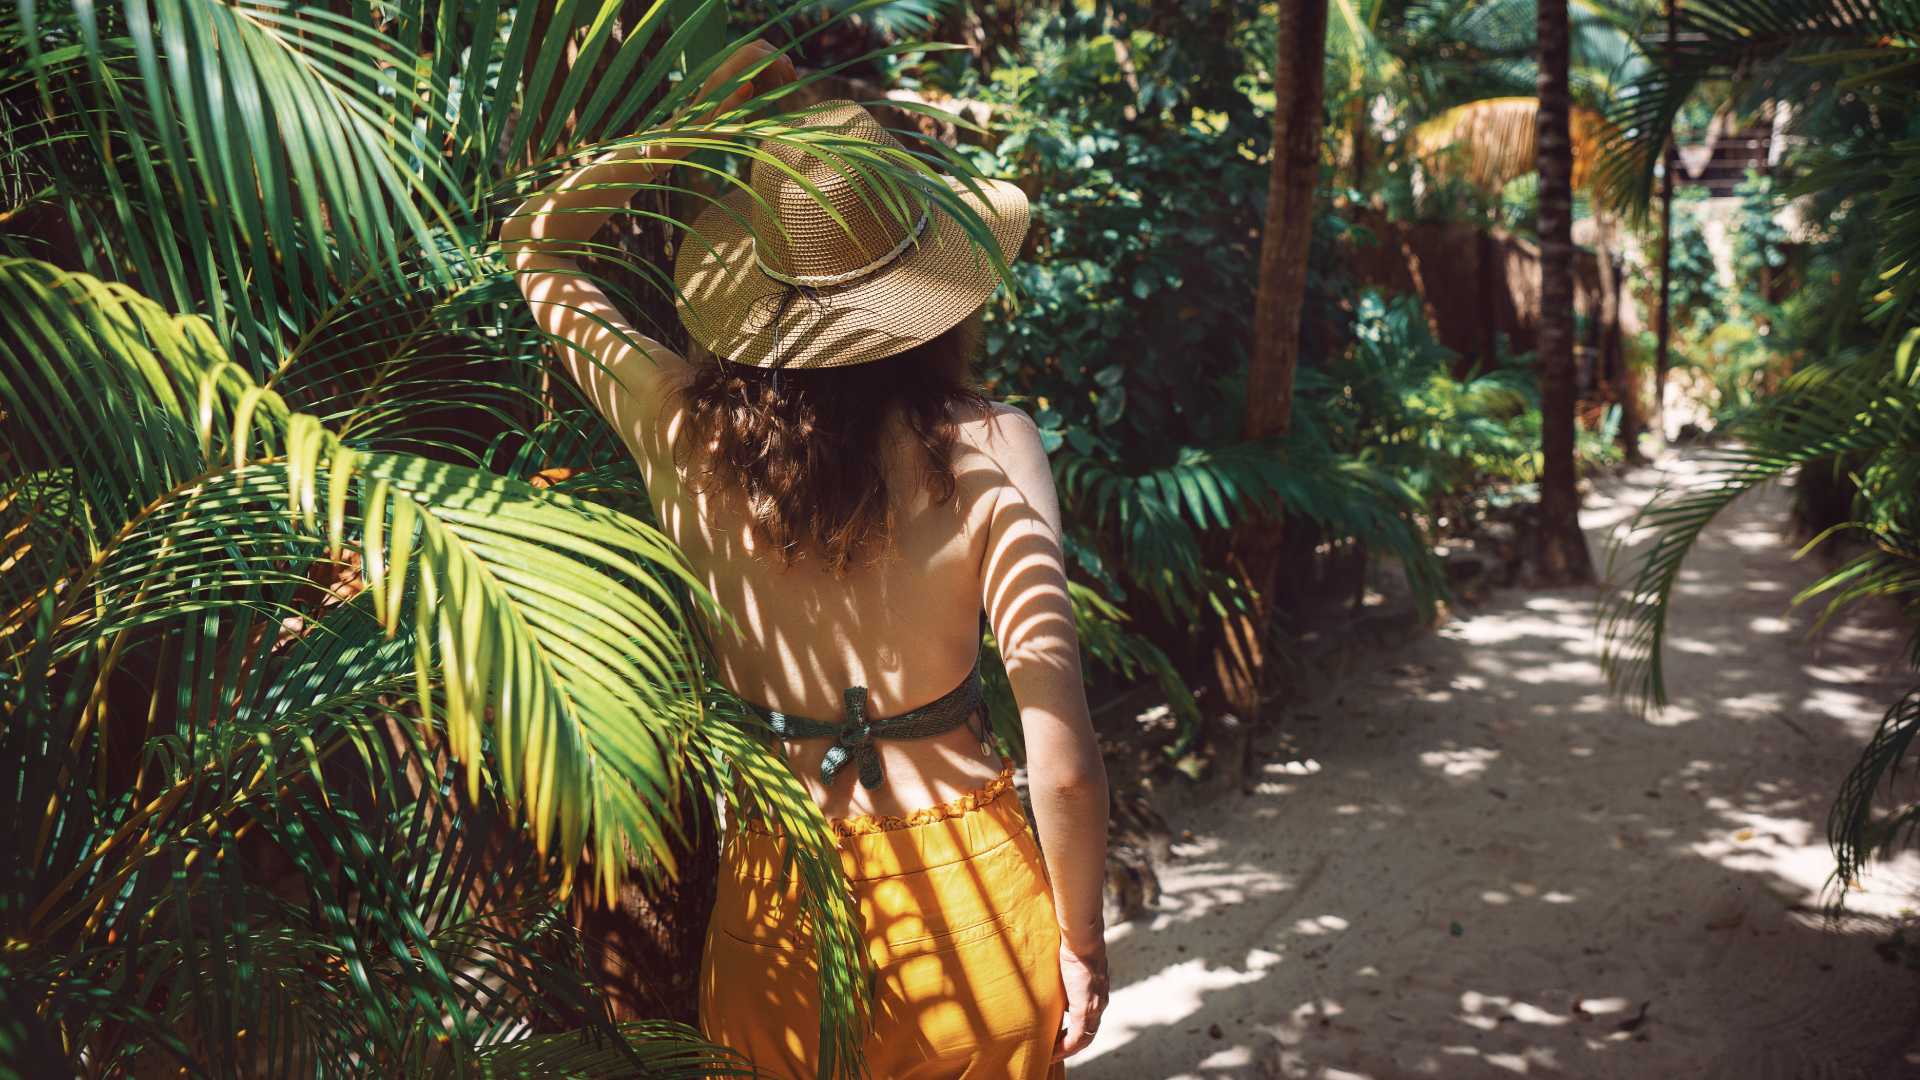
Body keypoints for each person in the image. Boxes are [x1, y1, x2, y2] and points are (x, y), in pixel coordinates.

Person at [501, 39, 1109, 1078]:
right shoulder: (991, 444)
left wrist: (694, 131)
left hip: (782, 921)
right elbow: (1060, 748)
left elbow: (538, 251)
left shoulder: (678, 431)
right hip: (981, 918)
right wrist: (1083, 942)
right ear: (932, 285)